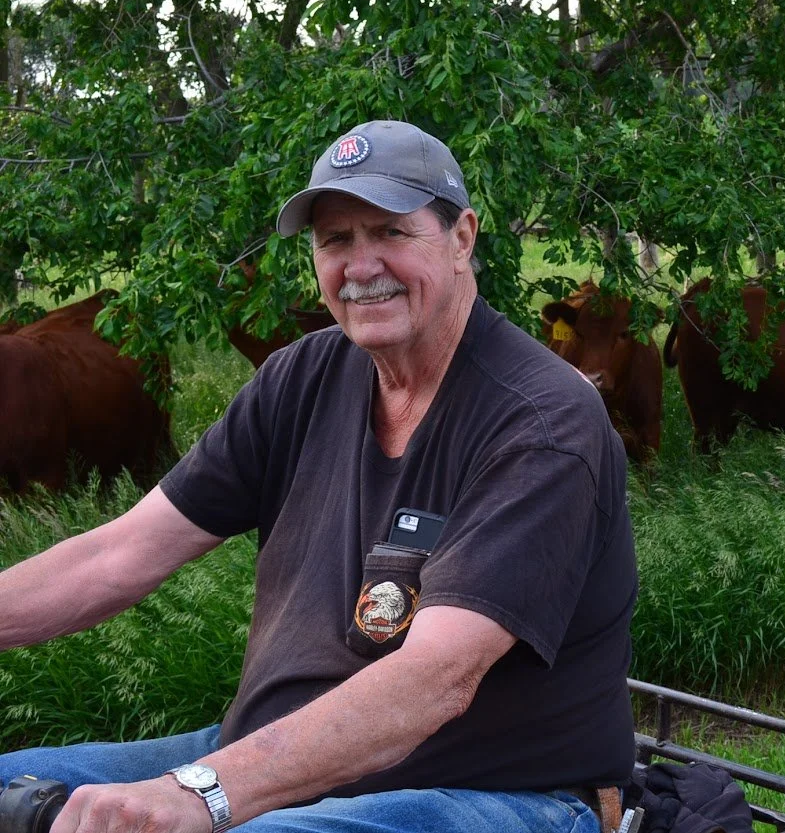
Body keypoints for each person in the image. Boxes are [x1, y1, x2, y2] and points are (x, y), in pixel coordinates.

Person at [0, 120, 637, 833]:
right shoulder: (299, 378)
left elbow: (432, 682)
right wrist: (213, 781)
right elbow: (118, 553)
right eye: (335, 240)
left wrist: (201, 794)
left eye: (392, 232)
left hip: (489, 790)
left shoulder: (542, 421)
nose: (361, 266)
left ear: (462, 237)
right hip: (268, 759)